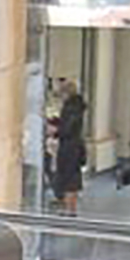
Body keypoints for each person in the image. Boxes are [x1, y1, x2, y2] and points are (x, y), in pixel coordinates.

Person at [50, 79, 87, 215]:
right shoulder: (77, 106)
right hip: (75, 146)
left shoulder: (70, 107)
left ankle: (69, 209)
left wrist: (55, 131)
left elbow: (67, 129)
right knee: (72, 178)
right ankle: (70, 208)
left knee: (68, 178)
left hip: (69, 147)